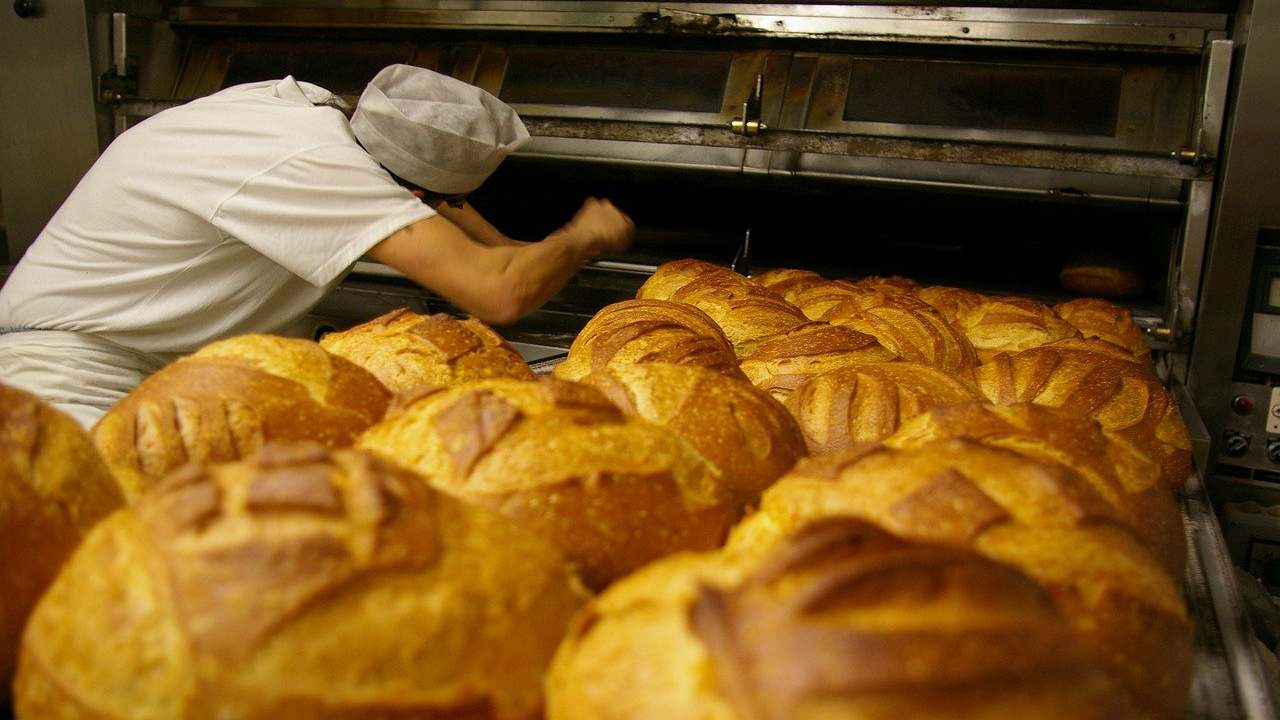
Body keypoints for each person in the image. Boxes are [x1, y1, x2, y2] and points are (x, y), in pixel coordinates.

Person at [0, 64, 634, 427]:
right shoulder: (314, 165)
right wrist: (582, 237)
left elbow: (465, 222)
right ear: (409, 193)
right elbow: (499, 290)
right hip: (66, 376)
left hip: (152, 367)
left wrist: (535, 249)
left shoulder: (307, 116)